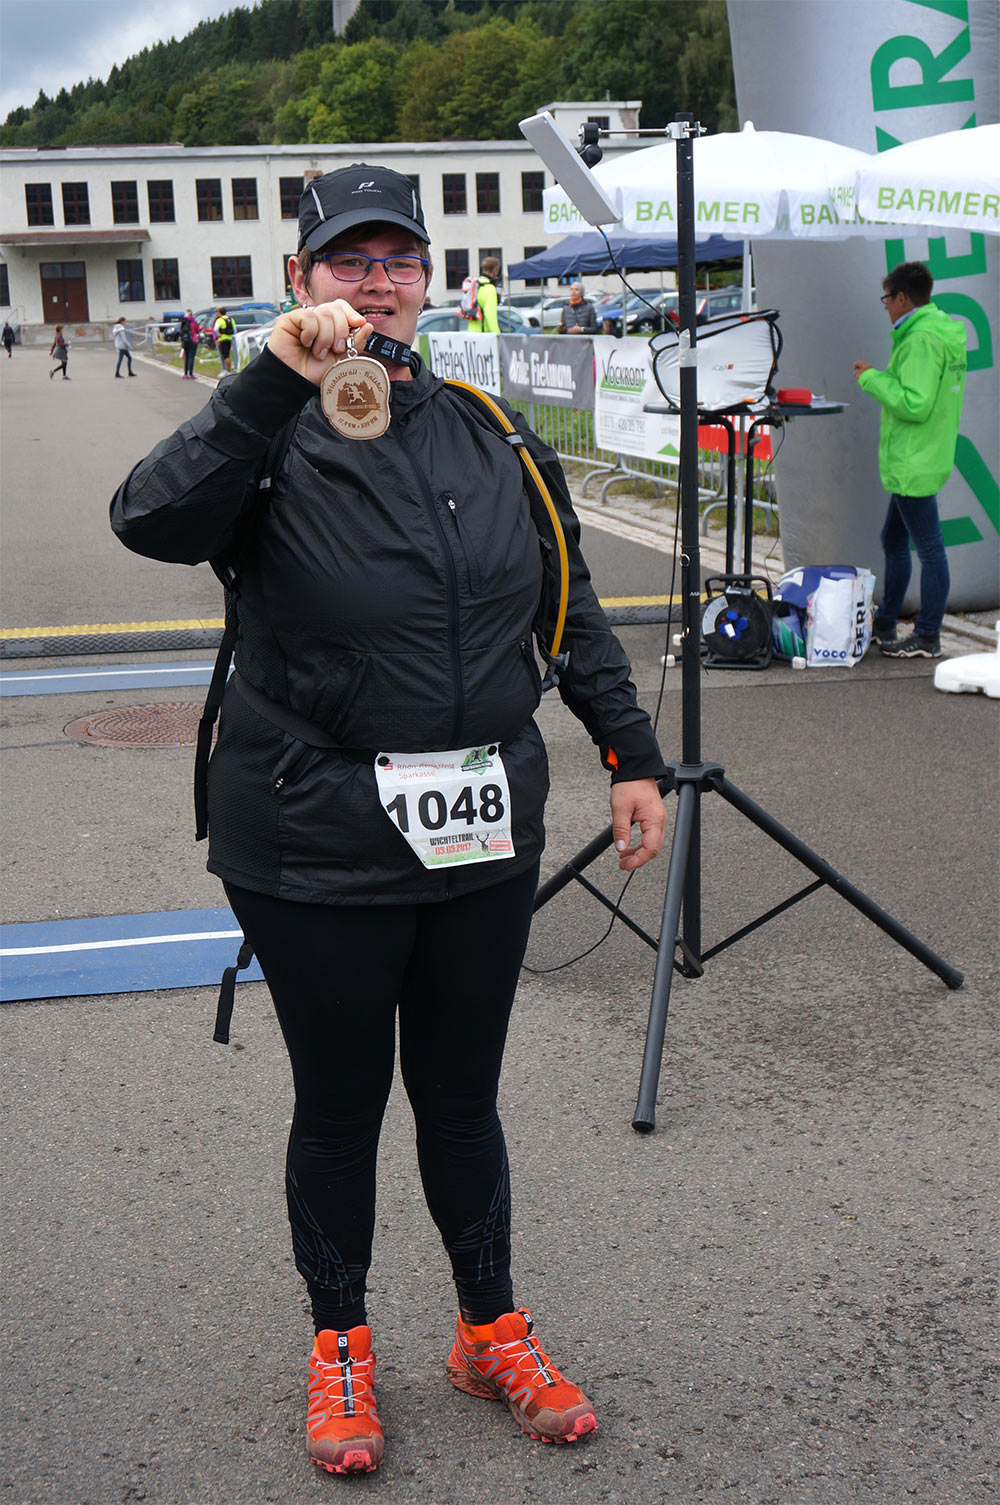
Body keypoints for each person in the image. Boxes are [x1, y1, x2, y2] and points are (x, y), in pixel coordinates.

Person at [110, 162, 667, 1478]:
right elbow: (148, 518)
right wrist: (267, 380)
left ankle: (488, 1327)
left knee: (463, 1097)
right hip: (313, 830)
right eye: (349, 259)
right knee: (345, 1101)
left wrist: (628, 749)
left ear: (425, 275)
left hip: (479, 822)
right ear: (306, 279)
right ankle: (341, 1341)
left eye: (396, 258)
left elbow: (566, 597)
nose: (377, 279)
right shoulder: (260, 429)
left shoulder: (487, 425)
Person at [853, 260, 966, 659]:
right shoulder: (939, 330)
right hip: (926, 453)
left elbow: (914, 404)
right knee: (895, 539)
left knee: (929, 547)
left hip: (912, 457)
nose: (885, 306)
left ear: (902, 297)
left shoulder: (920, 339)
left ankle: (927, 634)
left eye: (887, 298)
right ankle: (886, 623)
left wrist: (871, 378)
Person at [466, 255, 501, 333]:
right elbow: (490, 316)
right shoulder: (489, 289)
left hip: (472, 334)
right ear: (495, 270)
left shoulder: (475, 285)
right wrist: (498, 335)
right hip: (484, 336)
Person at [213, 307, 235, 372]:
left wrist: (219, 335)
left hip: (222, 339)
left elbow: (215, 329)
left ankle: (227, 370)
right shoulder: (230, 319)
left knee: (225, 356)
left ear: (220, 313)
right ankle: (228, 369)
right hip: (229, 338)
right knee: (228, 354)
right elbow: (234, 328)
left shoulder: (219, 320)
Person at [180, 308, 200, 379]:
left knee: (187, 357)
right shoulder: (193, 321)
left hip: (185, 340)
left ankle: (185, 373)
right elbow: (197, 330)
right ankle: (190, 373)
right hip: (193, 340)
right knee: (191, 357)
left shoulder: (183, 321)